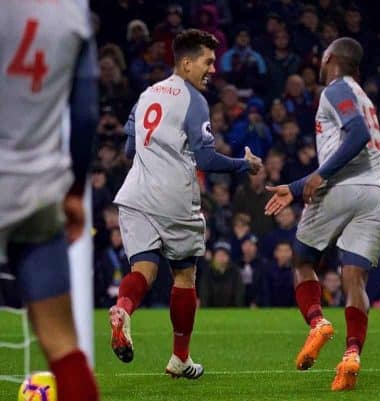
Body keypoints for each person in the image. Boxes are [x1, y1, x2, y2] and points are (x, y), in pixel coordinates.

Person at [109, 29, 262, 379]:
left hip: (134, 196)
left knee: (142, 271)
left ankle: (123, 308)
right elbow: (206, 159)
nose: (212, 69)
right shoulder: (193, 99)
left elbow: (129, 150)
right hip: (174, 200)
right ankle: (180, 358)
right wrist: (245, 165)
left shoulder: (146, 95)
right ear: (187, 62)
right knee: (183, 275)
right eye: (208, 62)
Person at [265, 37, 380, 391]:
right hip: (373, 192)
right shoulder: (365, 98)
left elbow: (357, 134)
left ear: (330, 58)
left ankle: (318, 322)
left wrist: (318, 176)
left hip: (340, 190)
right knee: (354, 279)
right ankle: (351, 354)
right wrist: (298, 184)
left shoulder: (335, 89)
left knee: (302, 262)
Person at [0, 2, 99, 401]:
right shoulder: (73, 14)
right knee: (63, 344)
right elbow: (87, 114)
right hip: (40, 188)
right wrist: (74, 192)